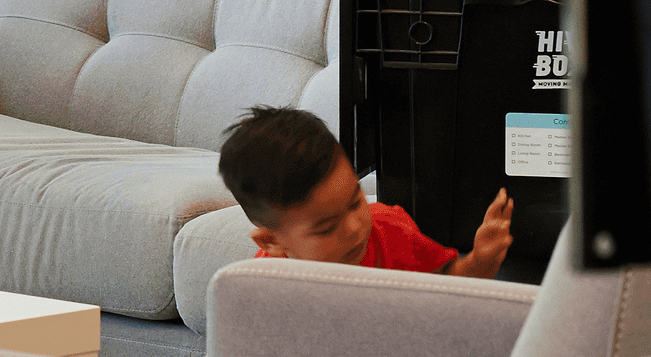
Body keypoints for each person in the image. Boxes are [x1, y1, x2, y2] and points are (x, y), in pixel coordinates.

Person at [217, 105, 514, 276]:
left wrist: (481, 261)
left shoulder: (392, 230)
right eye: (327, 228)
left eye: (355, 201)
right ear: (271, 241)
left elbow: (448, 281)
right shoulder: (263, 283)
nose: (355, 227)